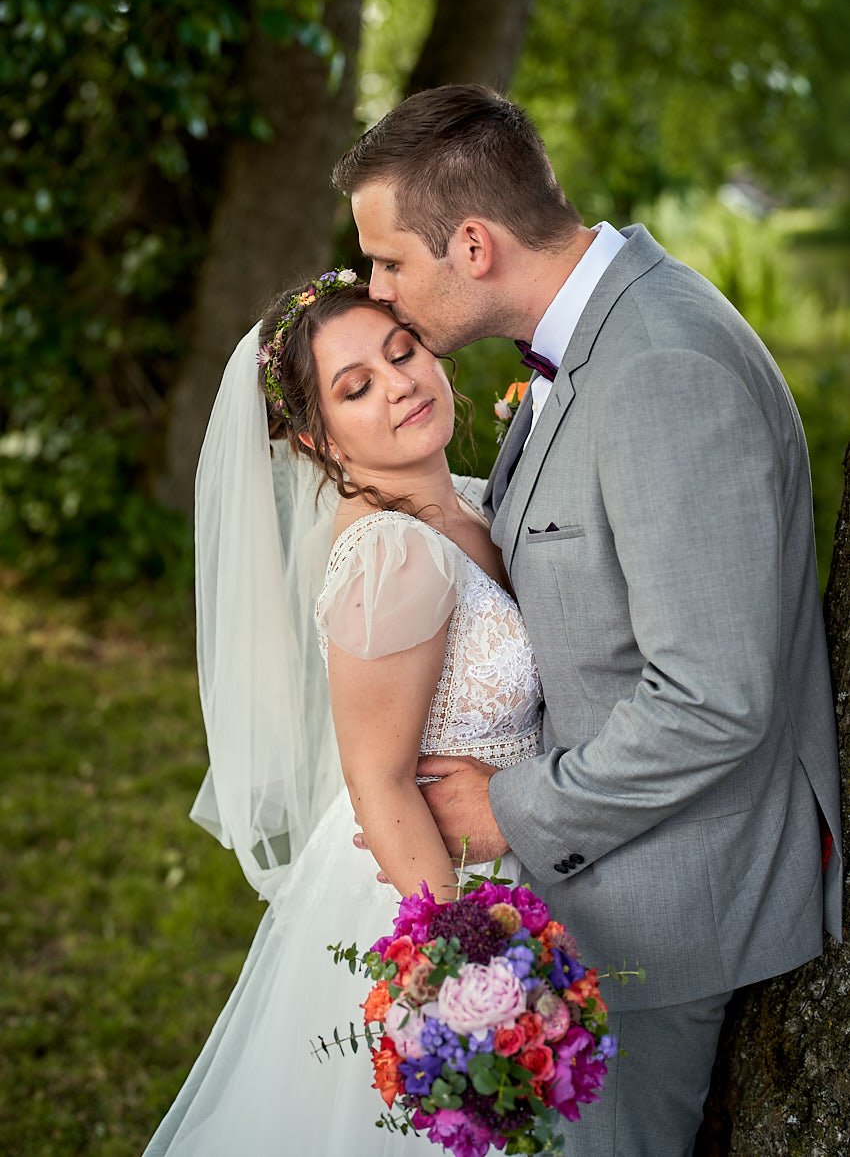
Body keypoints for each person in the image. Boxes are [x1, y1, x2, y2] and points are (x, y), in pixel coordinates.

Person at [332, 84, 844, 1157]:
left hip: (665, 909)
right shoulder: (594, 341)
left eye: (386, 261)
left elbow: (714, 697)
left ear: (471, 244)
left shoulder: (660, 370)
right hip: (608, 875)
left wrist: (510, 809)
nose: (375, 289)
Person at [142, 271, 543, 1156]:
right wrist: (462, 974)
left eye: (402, 352)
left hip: (522, 846)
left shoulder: (473, 502)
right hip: (431, 887)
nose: (399, 383)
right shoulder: (392, 555)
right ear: (320, 438)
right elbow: (377, 776)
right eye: (356, 387)